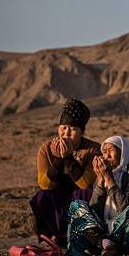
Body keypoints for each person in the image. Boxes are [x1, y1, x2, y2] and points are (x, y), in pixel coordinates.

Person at [30, 98, 100, 247]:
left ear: (82, 132)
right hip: (57, 192)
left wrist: (68, 158)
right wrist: (57, 160)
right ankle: (55, 236)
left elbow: (85, 183)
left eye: (73, 129)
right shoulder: (46, 149)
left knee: (85, 194)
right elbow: (44, 184)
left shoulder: (93, 149)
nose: (66, 133)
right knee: (42, 196)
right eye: (63, 128)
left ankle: (83, 236)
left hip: (79, 194)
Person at [66, 135, 129, 256]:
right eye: (104, 152)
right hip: (100, 230)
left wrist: (109, 179)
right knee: (76, 205)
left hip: (120, 231)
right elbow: (93, 210)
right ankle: (102, 242)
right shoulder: (101, 177)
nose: (106, 156)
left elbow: (124, 209)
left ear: (123, 153)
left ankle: (109, 245)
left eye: (111, 151)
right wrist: (100, 181)